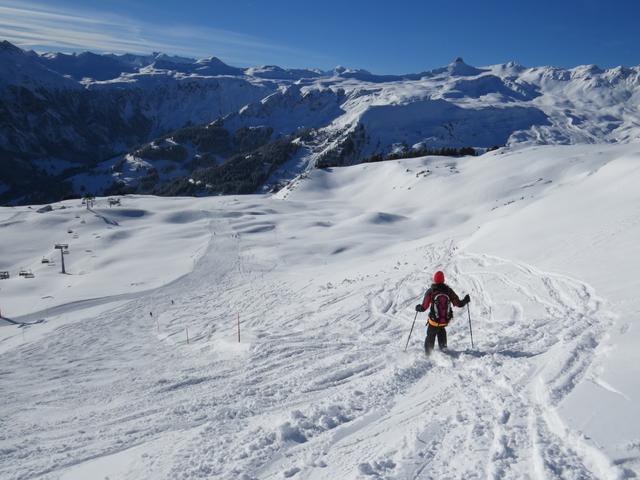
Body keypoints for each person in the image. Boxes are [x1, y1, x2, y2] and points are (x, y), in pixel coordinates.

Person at [415, 270, 470, 354]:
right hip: (443, 321)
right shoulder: (448, 291)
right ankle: (444, 353)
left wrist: (419, 308)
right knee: (442, 335)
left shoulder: (431, 291)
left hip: (434, 321)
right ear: (443, 280)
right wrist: (465, 300)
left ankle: (428, 355)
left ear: (435, 279)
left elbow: (424, 307)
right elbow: (458, 303)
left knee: (430, 337)